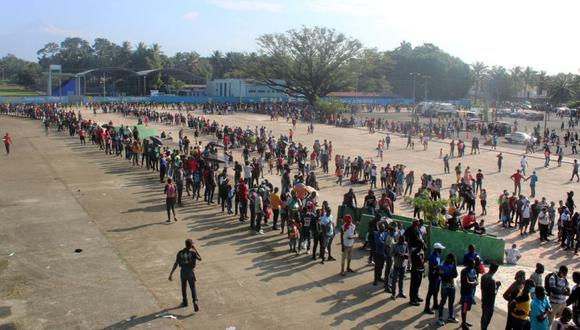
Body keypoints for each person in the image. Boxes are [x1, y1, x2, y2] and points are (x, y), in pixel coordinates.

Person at [168, 238, 202, 312]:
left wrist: (171, 274)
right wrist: (195, 249)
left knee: (183, 287)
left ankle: (185, 301)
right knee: (192, 287)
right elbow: (200, 258)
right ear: (191, 245)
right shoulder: (193, 253)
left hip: (183, 271)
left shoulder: (180, 253)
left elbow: (176, 263)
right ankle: (195, 301)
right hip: (190, 272)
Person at [438, 253, 459, 326]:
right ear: (448, 259)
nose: (452, 261)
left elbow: (456, 274)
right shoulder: (442, 264)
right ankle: (440, 318)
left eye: (453, 260)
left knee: (451, 302)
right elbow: (441, 275)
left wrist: (454, 266)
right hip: (445, 287)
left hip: (452, 286)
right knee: (443, 302)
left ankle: (451, 316)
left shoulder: (453, 264)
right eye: (452, 260)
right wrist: (449, 276)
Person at [424, 242, 445, 315]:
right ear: (437, 249)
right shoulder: (433, 256)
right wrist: (438, 267)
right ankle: (426, 307)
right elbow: (432, 267)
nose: (441, 250)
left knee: (436, 291)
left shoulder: (437, 255)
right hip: (433, 277)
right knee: (430, 292)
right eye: (440, 249)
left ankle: (435, 304)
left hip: (437, 276)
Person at [480, 263, 501, 330]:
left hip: (484, 299)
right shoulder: (492, 280)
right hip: (489, 303)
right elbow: (493, 293)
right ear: (496, 270)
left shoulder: (483, 276)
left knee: (484, 316)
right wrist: (497, 287)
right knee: (487, 318)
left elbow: (482, 288)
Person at [460, 258, 478, 330]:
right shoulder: (464, 271)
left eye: (474, 263)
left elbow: (476, 278)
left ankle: (464, 322)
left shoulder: (473, 270)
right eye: (472, 263)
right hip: (465, 293)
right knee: (464, 309)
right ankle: (464, 325)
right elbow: (466, 283)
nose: (473, 265)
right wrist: (474, 283)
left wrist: (474, 283)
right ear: (468, 264)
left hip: (471, 292)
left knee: (467, 308)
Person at [391, 235, 408, 300]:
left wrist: (404, 255)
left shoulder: (405, 244)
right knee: (394, 280)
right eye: (402, 240)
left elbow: (407, 253)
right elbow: (391, 253)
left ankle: (401, 292)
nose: (403, 242)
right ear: (399, 239)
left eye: (404, 240)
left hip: (403, 265)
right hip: (396, 265)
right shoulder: (394, 245)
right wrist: (396, 254)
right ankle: (393, 294)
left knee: (401, 280)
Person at [409, 242, 425, 306]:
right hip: (415, 271)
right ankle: (412, 300)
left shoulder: (421, 252)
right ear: (418, 246)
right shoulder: (414, 253)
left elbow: (422, 260)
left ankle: (416, 296)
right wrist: (416, 272)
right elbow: (414, 263)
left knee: (418, 285)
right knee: (413, 286)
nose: (422, 247)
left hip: (420, 271)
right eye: (421, 246)